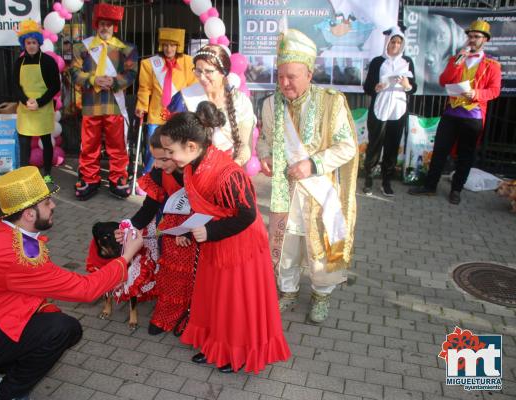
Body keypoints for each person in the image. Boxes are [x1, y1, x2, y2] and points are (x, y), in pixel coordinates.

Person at [0, 166, 144, 400]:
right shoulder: (15, 254)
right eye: (47, 202)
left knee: (44, 313)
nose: (54, 205)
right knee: (63, 329)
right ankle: (8, 392)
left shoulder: (5, 231)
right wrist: (126, 257)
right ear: (29, 214)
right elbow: (85, 289)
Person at [159, 101, 290, 374]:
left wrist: (209, 232)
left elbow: (247, 216)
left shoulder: (227, 174)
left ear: (192, 147)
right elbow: (204, 204)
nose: (168, 157)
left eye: (171, 151)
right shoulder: (194, 164)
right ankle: (215, 346)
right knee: (216, 299)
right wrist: (189, 231)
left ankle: (237, 353)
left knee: (235, 303)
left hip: (240, 245)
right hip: (216, 241)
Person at [257, 29, 359, 324]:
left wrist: (313, 164)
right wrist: (264, 153)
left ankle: (321, 294)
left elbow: (347, 147)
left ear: (309, 74)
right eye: (281, 76)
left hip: (319, 192)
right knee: (286, 247)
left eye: (292, 76)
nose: (285, 83)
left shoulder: (331, 102)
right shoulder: (269, 104)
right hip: (284, 191)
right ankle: (287, 291)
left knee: (320, 249)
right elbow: (264, 137)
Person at [408, 19, 501, 205]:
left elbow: (494, 90)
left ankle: (456, 189)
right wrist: (459, 60)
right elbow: (444, 81)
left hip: (473, 115)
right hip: (451, 113)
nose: (472, 40)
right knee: (440, 150)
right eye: (470, 36)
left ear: (485, 40)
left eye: (476, 37)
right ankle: (430, 186)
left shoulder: (492, 65)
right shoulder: (456, 58)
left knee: (466, 155)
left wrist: (476, 93)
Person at [127, 132, 197, 335]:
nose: (156, 164)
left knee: (195, 277)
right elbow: (149, 206)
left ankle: (191, 317)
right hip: (172, 230)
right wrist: (130, 226)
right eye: (154, 158)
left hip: (199, 230)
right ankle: (166, 315)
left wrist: (190, 232)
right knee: (169, 273)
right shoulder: (160, 173)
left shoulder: (196, 171)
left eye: (163, 159)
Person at [71, 3, 138, 200]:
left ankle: (118, 177)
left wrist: (115, 81)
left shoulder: (126, 49)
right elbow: (74, 72)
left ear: (114, 27)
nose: (104, 28)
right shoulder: (81, 47)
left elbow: (132, 73)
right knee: (89, 145)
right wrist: (92, 79)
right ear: (96, 25)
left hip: (114, 105)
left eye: (108, 24)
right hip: (91, 104)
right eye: (101, 23)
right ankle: (90, 178)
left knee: (117, 145)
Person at [168, 44, 255, 166]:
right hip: (191, 170)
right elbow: (172, 140)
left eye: (208, 71)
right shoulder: (184, 98)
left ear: (223, 72)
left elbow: (245, 145)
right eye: (198, 71)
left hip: (228, 168)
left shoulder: (241, 102)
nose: (202, 77)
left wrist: (232, 167)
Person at [362, 26, 417, 196]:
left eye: (399, 42)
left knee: (392, 147)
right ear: (387, 42)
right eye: (393, 41)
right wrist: (376, 87)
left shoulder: (407, 62)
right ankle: (369, 178)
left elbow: (413, 88)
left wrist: (407, 86)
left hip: (398, 109)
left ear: (403, 44)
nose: (395, 45)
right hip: (379, 108)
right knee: (374, 145)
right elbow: (367, 87)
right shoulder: (378, 61)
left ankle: (386, 181)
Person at [135, 27, 196, 174]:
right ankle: (148, 174)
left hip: (178, 113)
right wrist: (141, 106)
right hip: (156, 112)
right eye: (166, 45)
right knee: (153, 145)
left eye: (173, 45)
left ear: (178, 46)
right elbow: (144, 88)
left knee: (177, 147)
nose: (169, 49)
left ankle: (173, 176)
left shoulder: (188, 62)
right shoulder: (149, 64)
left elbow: (192, 87)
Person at [14, 20, 61, 183]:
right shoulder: (19, 62)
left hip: (43, 106)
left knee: (46, 141)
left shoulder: (48, 62)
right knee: (24, 142)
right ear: (24, 43)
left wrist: (40, 102)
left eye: (34, 42)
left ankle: (47, 172)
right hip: (25, 107)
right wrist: (26, 100)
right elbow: (14, 86)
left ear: (39, 42)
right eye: (28, 43)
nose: (31, 46)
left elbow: (55, 86)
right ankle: (25, 174)